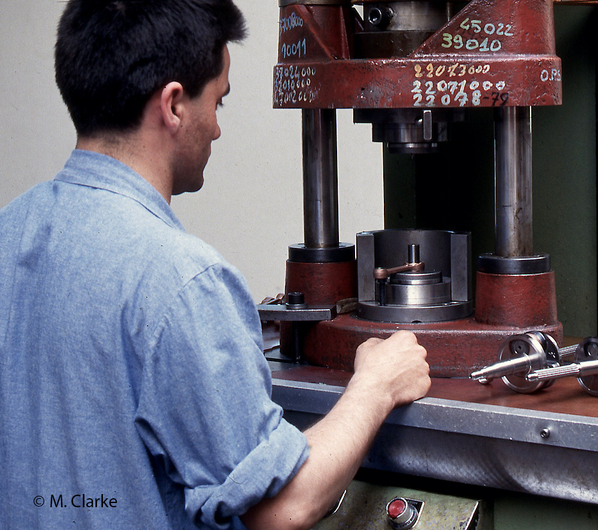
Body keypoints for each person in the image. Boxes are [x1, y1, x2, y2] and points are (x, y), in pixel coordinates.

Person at [0, 1, 431, 529]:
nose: (218, 129)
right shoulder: (181, 281)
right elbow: (283, 507)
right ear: (174, 105)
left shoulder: (10, 231)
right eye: (218, 102)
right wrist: (377, 385)